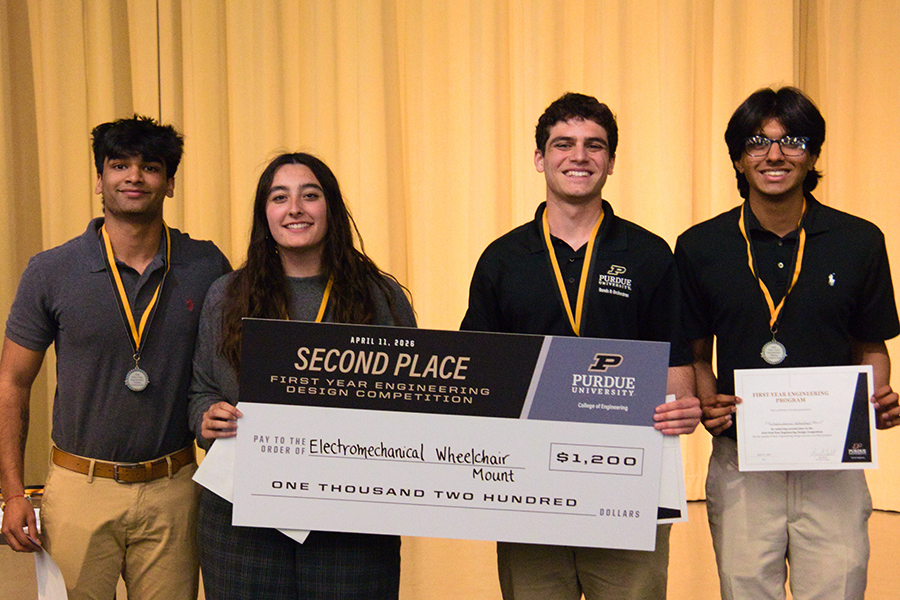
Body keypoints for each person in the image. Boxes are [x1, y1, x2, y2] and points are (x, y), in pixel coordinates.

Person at [461, 92, 701, 600]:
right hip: (527, 487)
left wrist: (681, 408)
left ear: (611, 162)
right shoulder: (502, 259)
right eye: (563, 144)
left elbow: (675, 362)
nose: (579, 156)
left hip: (626, 486)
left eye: (595, 145)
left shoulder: (649, 254)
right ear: (539, 158)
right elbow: (477, 372)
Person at [675, 86, 900, 599]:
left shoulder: (859, 241)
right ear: (738, 157)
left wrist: (875, 399)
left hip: (833, 464)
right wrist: (708, 401)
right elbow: (696, 351)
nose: (774, 155)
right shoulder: (700, 246)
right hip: (741, 460)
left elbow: (870, 346)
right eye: (758, 142)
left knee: (838, 590)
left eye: (792, 141)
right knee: (746, 590)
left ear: (813, 154)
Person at [0, 115, 231, 599]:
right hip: (78, 487)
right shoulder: (51, 270)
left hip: (174, 487)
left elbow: (228, 369)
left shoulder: (206, 265)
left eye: (151, 167)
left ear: (170, 183)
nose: (134, 177)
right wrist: (13, 493)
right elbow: (12, 383)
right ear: (99, 178)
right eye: (119, 165)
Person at [188, 152, 415, 600]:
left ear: (331, 208)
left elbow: (414, 401)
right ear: (264, 214)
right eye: (279, 198)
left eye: (309, 196)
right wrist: (205, 416)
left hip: (351, 520)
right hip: (241, 517)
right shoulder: (226, 295)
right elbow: (200, 389)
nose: (294, 209)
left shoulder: (380, 295)